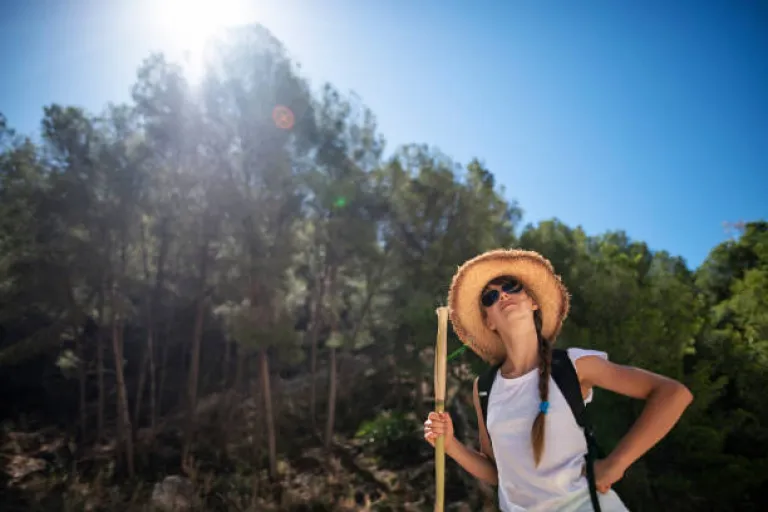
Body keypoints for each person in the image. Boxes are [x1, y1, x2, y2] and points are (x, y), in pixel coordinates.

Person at [423, 249, 693, 512]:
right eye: (490, 296)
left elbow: (672, 393)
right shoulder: (484, 388)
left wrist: (617, 463)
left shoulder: (574, 366)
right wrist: (451, 446)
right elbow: (498, 473)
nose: (503, 294)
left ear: (533, 302)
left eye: (512, 286)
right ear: (489, 322)